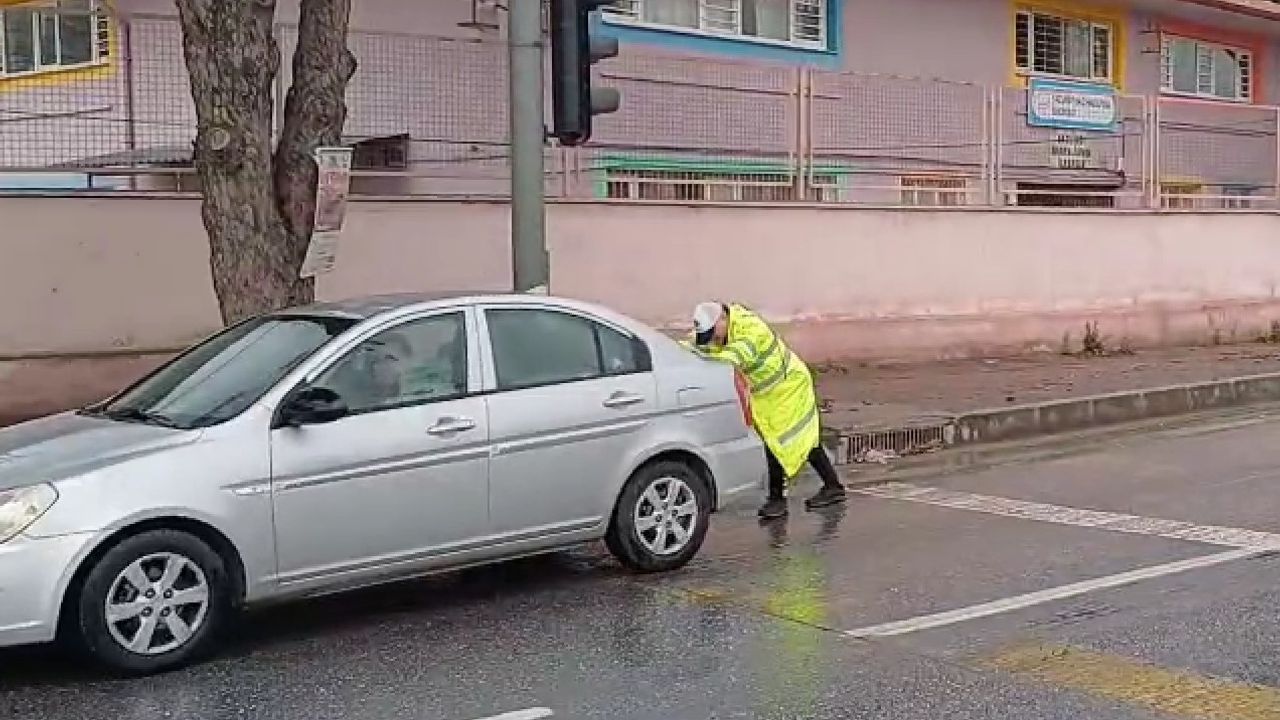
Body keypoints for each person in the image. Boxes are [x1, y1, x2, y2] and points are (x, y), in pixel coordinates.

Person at [684, 301, 846, 519]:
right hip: (770, 393)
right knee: (799, 440)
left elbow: (733, 358)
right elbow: (693, 343)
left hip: (788, 386)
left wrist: (700, 358)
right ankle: (832, 487)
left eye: (713, 334)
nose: (713, 340)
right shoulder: (724, 328)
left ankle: (777, 501)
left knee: (779, 441)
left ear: (723, 318)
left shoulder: (750, 330)